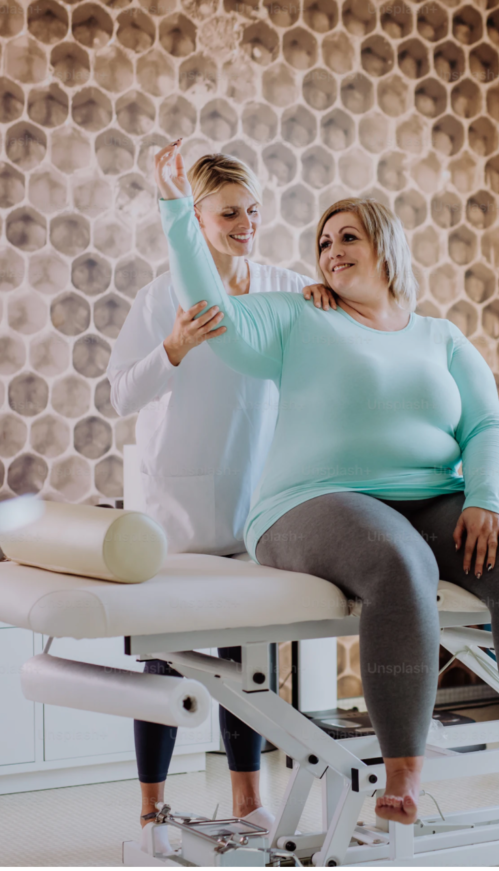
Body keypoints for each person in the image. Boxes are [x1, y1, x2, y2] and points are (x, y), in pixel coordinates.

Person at [153, 140, 499, 826]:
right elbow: (215, 315)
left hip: (430, 494)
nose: (332, 249)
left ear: (387, 247)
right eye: (323, 242)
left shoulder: (438, 336)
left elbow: (487, 425)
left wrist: (483, 498)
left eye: (348, 236)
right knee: (398, 561)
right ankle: (403, 770)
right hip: (309, 501)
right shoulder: (298, 316)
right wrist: (176, 207)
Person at [107, 153, 336, 849]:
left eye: (253, 209)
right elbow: (120, 394)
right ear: (197, 219)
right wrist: (174, 346)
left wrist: (328, 303)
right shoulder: (161, 297)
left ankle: (248, 800)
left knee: (249, 655)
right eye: (229, 212)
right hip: (174, 504)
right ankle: (152, 813)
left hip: (257, 505)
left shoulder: (287, 289)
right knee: (164, 657)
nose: (246, 224)